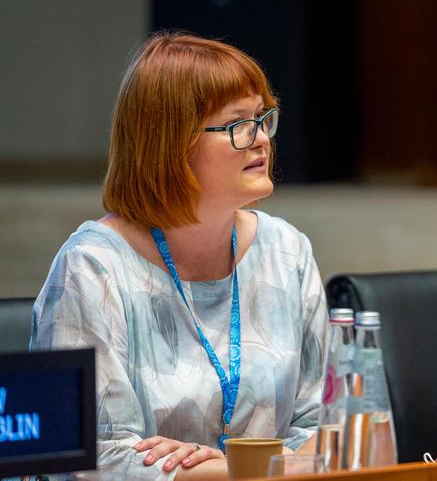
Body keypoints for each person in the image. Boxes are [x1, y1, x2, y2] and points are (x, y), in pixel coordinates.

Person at [30, 33, 329, 479]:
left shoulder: (287, 252)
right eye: (239, 125)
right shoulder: (93, 269)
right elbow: (92, 459)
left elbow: (330, 433)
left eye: (264, 119)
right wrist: (239, 474)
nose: (262, 139)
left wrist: (229, 469)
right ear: (172, 143)